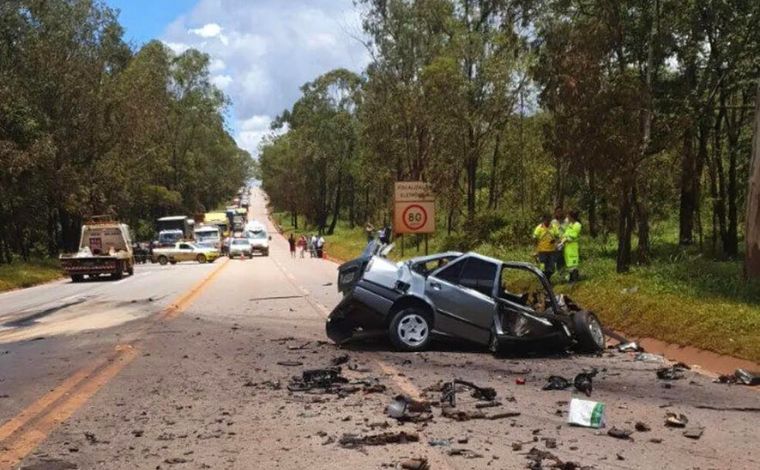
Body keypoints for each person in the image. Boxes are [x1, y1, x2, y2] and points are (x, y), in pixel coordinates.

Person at [533, 214, 559, 280]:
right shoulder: (539, 228)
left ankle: (547, 279)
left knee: (551, 267)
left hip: (551, 250)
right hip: (542, 251)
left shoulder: (553, 227)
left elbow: (557, 236)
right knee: (543, 267)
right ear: (543, 220)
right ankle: (544, 280)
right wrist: (535, 250)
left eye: (549, 220)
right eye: (546, 220)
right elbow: (535, 238)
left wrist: (555, 241)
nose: (548, 222)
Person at [561, 210, 582, 282]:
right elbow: (565, 234)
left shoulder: (577, 225)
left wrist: (565, 240)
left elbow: (572, 236)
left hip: (573, 247)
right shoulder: (569, 225)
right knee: (569, 264)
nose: (567, 217)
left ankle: (575, 280)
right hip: (567, 248)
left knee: (574, 264)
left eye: (568, 216)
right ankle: (571, 279)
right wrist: (562, 240)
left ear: (571, 216)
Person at [550, 207, 566, 273]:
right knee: (556, 257)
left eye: (560, 211)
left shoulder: (565, 221)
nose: (559, 213)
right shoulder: (553, 222)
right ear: (555, 213)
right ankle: (555, 271)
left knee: (562, 258)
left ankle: (562, 271)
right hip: (556, 242)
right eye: (558, 212)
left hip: (564, 242)